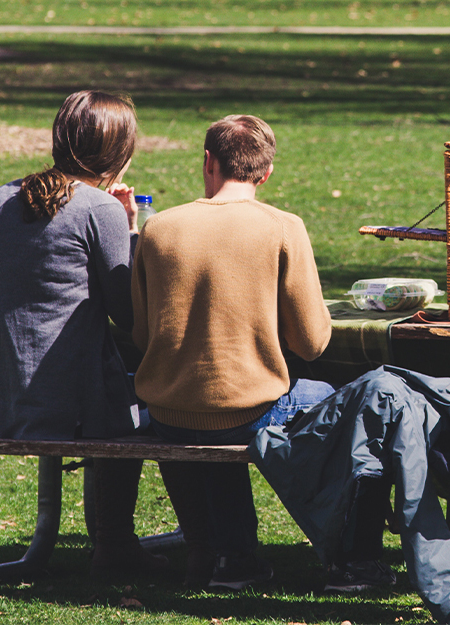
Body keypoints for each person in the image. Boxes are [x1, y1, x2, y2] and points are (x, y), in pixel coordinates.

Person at [0, 90, 167, 576]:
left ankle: (112, 540)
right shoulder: (98, 209)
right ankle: (119, 541)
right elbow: (129, 316)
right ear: (121, 152)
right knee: (161, 406)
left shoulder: (3, 197)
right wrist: (131, 230)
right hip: (63, 404)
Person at [131, 114, 335, 590]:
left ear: (208, 162)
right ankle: (353, 550)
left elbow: (143, 335)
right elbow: (312, 342)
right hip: (249, 410)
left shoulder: (158, 228)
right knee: (330, 395)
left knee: (217, 403)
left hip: (168, 409)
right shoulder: (283, 227)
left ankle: (231, 556)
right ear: (266, 173)